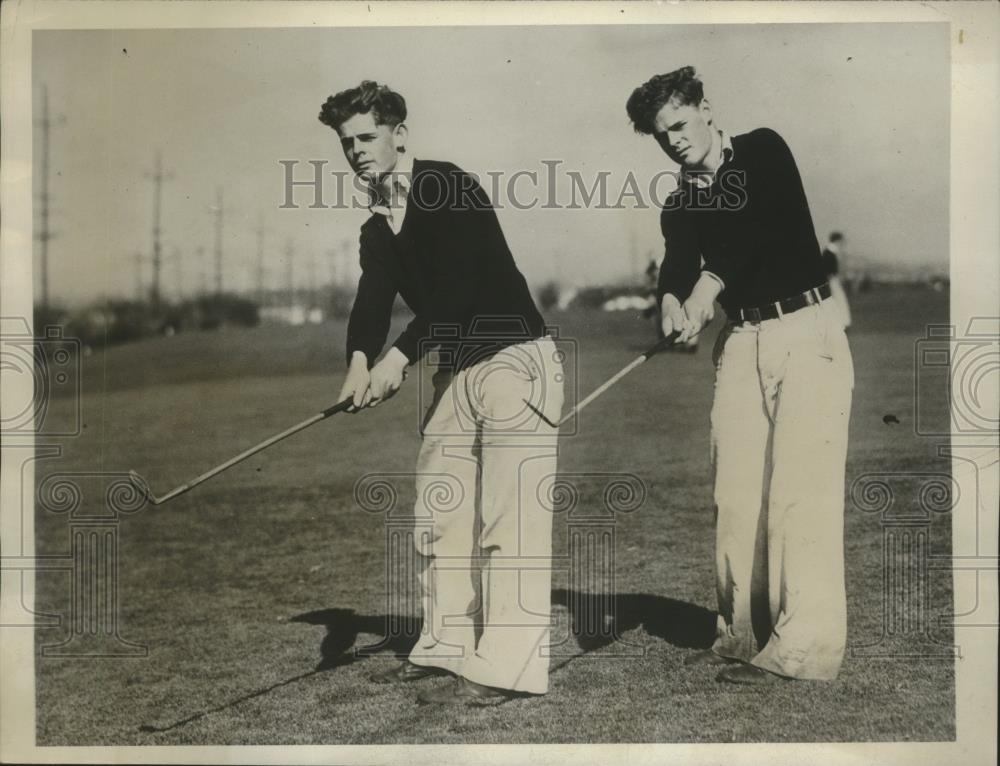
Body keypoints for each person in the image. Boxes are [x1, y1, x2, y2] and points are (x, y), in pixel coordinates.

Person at [319, 81, 563, 704]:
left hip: (515, 360)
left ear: (399, 134)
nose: (356, 151)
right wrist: (357, 362)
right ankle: (446, 646)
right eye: (347, 143)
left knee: (509, 522)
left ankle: (509, 667)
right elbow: (372, 299)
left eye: (366, 137)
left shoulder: (445, 185)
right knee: (441, 515)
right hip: (456, 369)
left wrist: (398, 359)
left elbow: (457, 290)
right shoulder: (379, 225)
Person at [626, 67, 854, 684]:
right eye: (659, 134)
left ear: (704, 107)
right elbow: (678, 261)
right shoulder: (680, 201)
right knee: (736, 495)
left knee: (798, 496)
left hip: (806, 333)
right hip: (743, 341)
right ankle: (741, 635)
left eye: (678, 123)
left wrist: (707, 287)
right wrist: (674, 302)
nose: (672, 139)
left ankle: (802, 651)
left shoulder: (762, 150)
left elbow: (747, 230)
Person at [821, 231, 853, 329]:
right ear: (837, 240)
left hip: (833, 280)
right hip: (831, 281)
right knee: (838, 300)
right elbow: (828, 271)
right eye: (841, 241)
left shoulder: (830, 252)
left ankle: (841, 322)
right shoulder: (829, 253)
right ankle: (841, 322)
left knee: (839, 300)